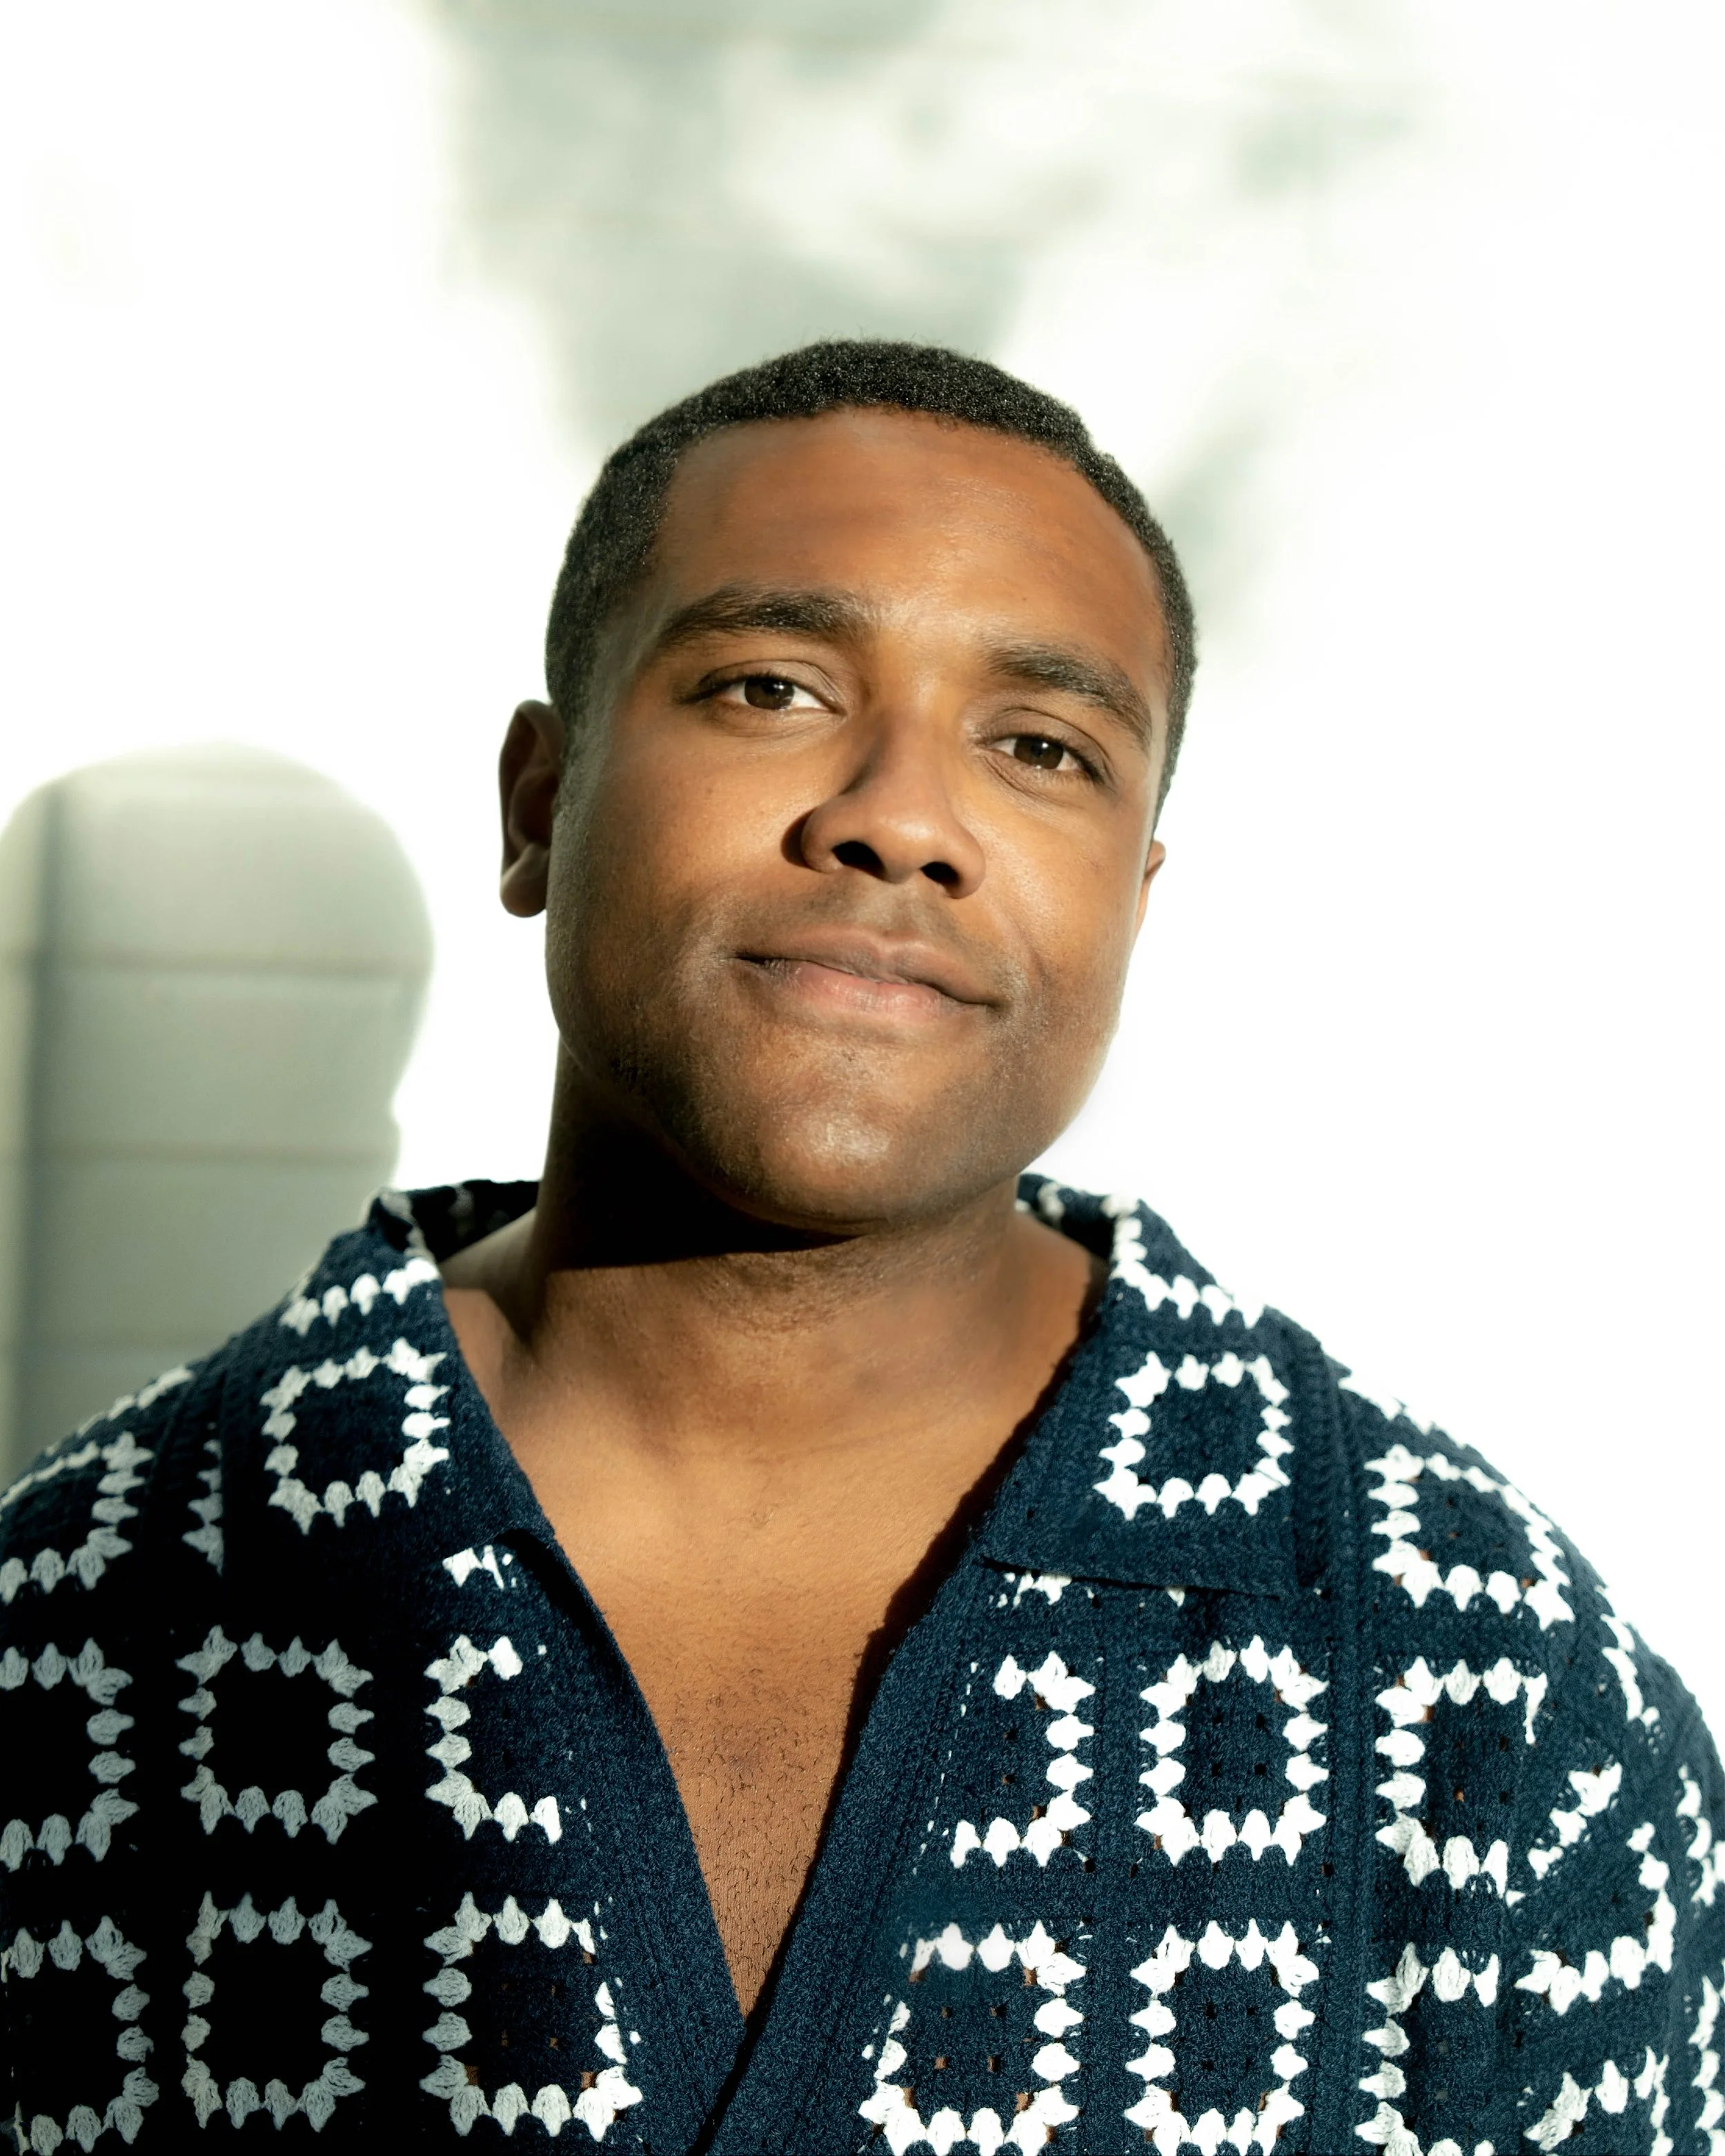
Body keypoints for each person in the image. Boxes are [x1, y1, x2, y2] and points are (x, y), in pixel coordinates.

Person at [1, 342, 1717, 2156]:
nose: (898, 816)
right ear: (537, 802)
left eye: (1039, 745)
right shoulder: (75, 1630)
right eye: (767, 683)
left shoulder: (1481, 1679)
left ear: (1128, 896)